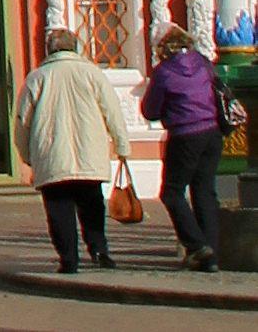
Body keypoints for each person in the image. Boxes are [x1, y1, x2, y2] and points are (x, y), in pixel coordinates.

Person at [18, 24, 133, 276]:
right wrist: (122, 145)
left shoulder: (37, 78)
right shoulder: (92, 74)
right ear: (76, 47)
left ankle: (69, 258)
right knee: (92, 204)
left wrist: (28, 156)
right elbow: (112, 111)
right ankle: (99, 249)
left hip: (51, 155)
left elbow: (22, 122)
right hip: (88, 152)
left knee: (58, 209)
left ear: (49, 50)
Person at [144, 26, 225, 273]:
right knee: (204, 192)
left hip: (185, 135)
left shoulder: (165, 72)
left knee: (172, 192)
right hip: (212, 133)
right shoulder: (203, 64)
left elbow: (151, 110)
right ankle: (211, 256)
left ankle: (197, 245)